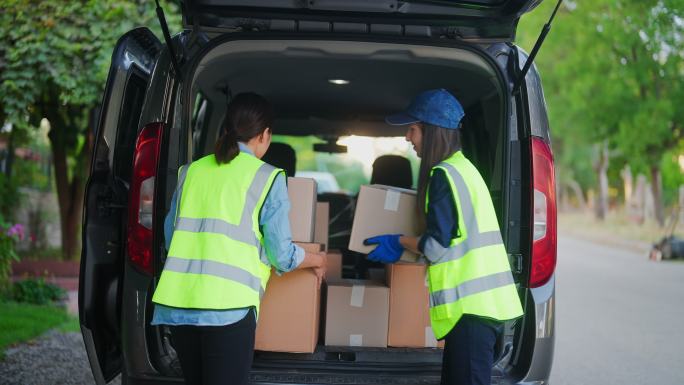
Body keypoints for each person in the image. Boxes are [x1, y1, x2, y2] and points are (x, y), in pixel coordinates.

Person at [151, 92, 326, 385]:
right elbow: (280, 254)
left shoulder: (190, 172)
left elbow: (171, 237)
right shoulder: (268, 177)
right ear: (265, 134)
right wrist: (317, 260)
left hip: (179, 308)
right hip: (227, 311)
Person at [364, 89, 523, 385]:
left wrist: (399, 241)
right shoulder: (464, 169)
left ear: (431, 130)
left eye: (412, 129)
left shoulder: (443, 176)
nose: (407, 138)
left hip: (471, 312)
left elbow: (437, 246)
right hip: (480, 311)